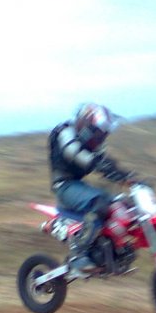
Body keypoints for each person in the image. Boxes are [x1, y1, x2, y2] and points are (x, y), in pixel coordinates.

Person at [48, 102, 135, 273]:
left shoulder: (90, 144)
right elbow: (74, 153)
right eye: (98, 134)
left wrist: (128, 177)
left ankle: (113, 250)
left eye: (103, 135)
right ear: (86, 125)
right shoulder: (65, 133)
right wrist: (101, 165)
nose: (100, 139)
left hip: (77, 185)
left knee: (122, 204)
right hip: (64, 186)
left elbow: (104, 162)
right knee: (100, 203)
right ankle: (79, 254)